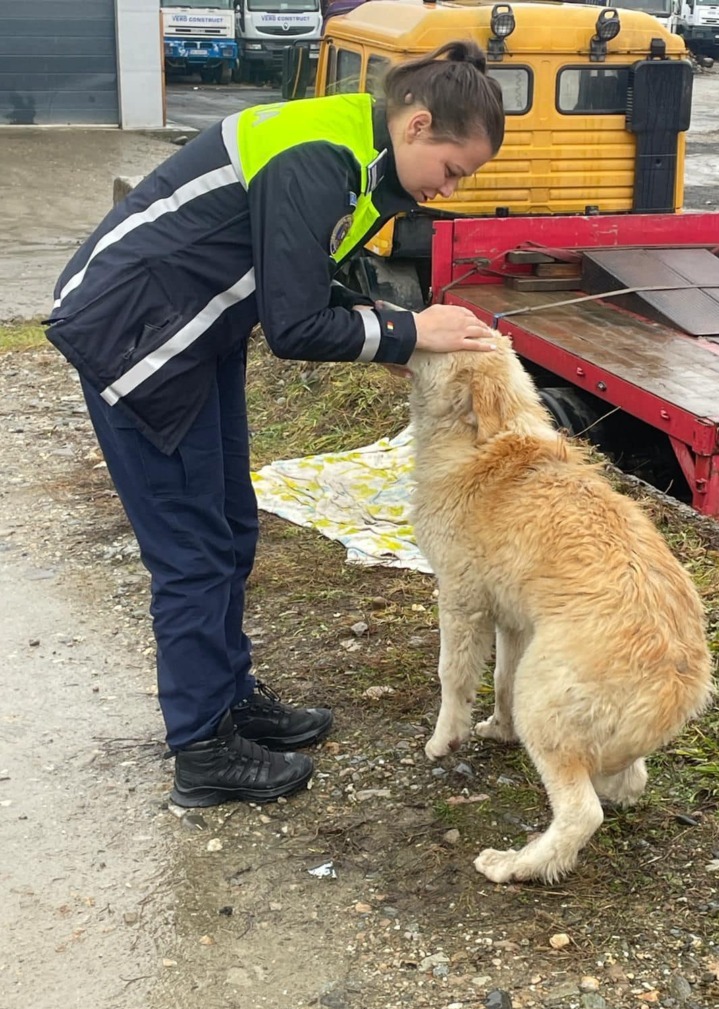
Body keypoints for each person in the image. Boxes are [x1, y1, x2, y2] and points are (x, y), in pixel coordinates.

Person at [44, 40, 505, 809]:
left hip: (196, 334)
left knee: (230, 526)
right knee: (192, 553)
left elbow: (314, 271)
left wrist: (387, 324)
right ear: (419, 124)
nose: (449, 190)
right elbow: (293, 327)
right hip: (139, 338)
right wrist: (407, 333)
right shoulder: (320, 155)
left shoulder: (362, 156)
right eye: (454, 170)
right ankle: (202, 748)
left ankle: (229, 698)